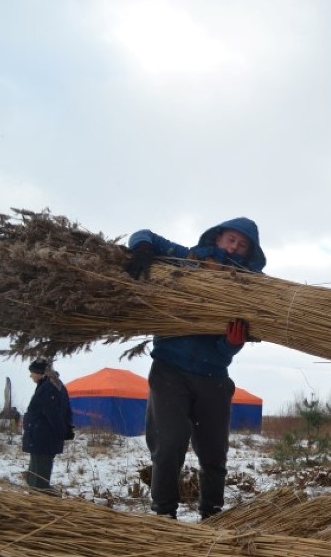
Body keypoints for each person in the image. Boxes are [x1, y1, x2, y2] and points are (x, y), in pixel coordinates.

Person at [125, 218, 266, 520]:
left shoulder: (246, 291)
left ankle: (212, 514)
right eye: (231, 239)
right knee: (170, 442)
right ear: (217, 238)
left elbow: (224, 350)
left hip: (213, 377)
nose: (235, 247)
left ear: (249, 253)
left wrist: (231, 344)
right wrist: (143, 249)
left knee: (214, 453)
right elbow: (143, 233)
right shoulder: (186, 259)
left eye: (242, 245)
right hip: (170, 371)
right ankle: (164, 514)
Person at [22, 359, 73, 492]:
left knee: (39, 477)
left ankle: (38, 503)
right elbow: (65, 411)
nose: (30, 375)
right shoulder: (54, 385)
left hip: (43, 438)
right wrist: (66, 428)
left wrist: (63, 430)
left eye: (32, 372)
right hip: (42, 437)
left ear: (39, 372)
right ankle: (37, 499)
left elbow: (53, 414)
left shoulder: (48, 387)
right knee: (36, 472)